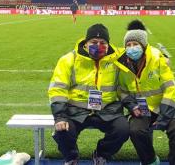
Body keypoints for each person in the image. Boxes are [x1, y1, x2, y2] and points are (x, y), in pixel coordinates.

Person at [48, 24, 134, 165]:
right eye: (94, 42)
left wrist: (162, 57)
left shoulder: (117, 58)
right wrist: (60, 116)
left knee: (123, 130)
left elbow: (143, 51)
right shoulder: (69, 59)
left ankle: (101, 154)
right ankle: (71, 157)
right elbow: (58, 89)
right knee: (62, 131)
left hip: (108, 110)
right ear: (86, 43)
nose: (98, 46)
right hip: (75, 110)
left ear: (108, 44)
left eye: (103, 43)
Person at [116, 20, 175, 165]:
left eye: (135, 44)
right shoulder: (121, 64)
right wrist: (132, 106)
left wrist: (164, 115)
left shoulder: (157, 59)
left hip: (166, 106)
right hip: (141, 108)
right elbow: (122, 91)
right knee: (136, 131)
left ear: (143, 45)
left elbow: (170, 88)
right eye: (128, 45)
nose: (132, 48)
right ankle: (150, 161)